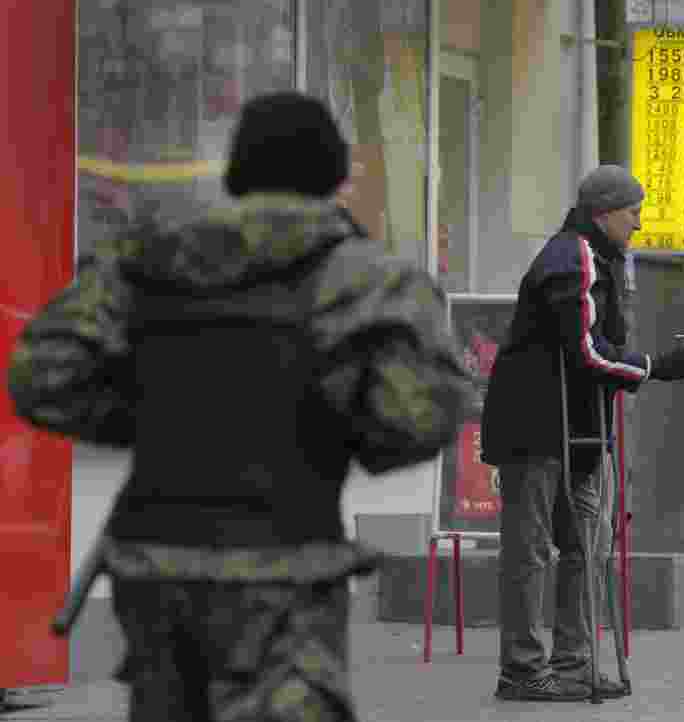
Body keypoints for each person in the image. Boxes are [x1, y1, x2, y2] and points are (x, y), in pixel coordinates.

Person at [7, 92, 472, 722]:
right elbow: (424, 417)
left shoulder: (148, 259)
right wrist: (333, 425)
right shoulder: (369, 278)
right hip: (283, 571)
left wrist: (155, 419)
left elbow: (40, 377)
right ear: (335, 175)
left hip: (153, 566)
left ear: (235, 172)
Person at [480, 165, 684, 702]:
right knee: (532, 551)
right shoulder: (572, 255)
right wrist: (653, 367)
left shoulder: (600, 257)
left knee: (588, 546)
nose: (639, 224)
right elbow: (584, 350)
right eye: (633, 213)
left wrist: (645, 367)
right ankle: (523, 670)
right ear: (603, 213)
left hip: (578, 429)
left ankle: (574, 665)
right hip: (537, 428)